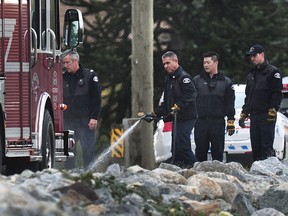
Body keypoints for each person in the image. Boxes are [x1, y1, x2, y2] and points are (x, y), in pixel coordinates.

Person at [143, 51, 198, 168]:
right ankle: (180, 168)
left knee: (182, 145)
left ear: (176, 61)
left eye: (168, 63)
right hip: (176, 118)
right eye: (164, 64)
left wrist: (177, 106)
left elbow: (191, 95)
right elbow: (166, 102)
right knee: (175, 147)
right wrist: (154, 113)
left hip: (187, 117)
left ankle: (196, 168)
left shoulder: (184, 77)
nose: (165, 66)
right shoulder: (169, 79)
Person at [239, 45, 282, 161]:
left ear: (262, 54)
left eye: (254, 55)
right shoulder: (251, 74)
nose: (252, 58)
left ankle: (270, 174)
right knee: (256, 147)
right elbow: (249, 97)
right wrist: (244, 113)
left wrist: (273, 110)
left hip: (266, 116)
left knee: (266, 148)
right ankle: (257, 174)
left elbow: (277, 93)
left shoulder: (273, 72)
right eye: (250, 56)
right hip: (254, 116)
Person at [61, 49, 102, 169]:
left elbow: (97, 99)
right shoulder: (62, 78)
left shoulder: (89, 76)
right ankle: (68, 175)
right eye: (64, 63)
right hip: (68, 121)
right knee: (68, 152)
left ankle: (88, 174)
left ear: (75, 61)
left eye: (67, 62)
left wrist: (94, 118)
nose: (65, 65)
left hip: (86, 121)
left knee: (88, 151)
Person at [193, 51, 235, 162]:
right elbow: (190, 101)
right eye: (204, 63)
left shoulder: (226, 82)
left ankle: (218, 176)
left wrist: (231, 120)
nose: (205, 65)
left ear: (216, 63)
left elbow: (230, 103)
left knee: (218, 152)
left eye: (208, 62)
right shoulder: (197, 81)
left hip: (218, 122)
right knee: (200, 152)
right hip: (201, 122)